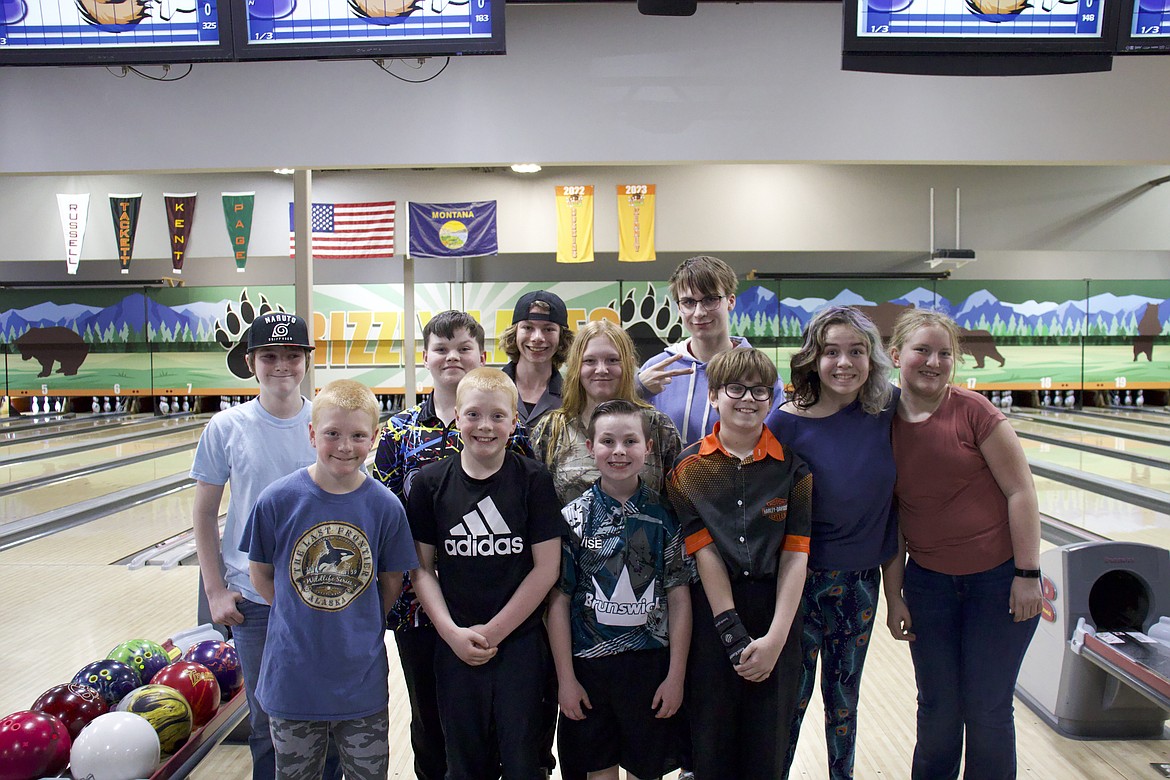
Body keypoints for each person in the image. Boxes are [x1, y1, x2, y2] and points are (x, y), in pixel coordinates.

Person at [372, 310, 532, 780]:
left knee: (505, 725)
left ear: (483, 356)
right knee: (430, 721)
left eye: (464, 347)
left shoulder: (512, 433)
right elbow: (384, 518)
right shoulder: (398, 434)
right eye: (441, 348)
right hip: (417, 609)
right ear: (425, 357)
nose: (452, 357)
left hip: (497, 604)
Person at [885, 309, 1043, 780]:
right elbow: (890, 521)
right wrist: (895, 596)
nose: (933, 362)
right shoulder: (882, 422)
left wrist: (1027, 574)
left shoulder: (975, 412)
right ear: (896, 356)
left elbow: (1021, 492)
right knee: (937, 708)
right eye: (922, 351)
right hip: (929, 586)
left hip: (998, 582)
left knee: (987, 708)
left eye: (944, 354)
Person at [242, 379, 418, 780]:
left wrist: (359, 618)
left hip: (361, 683)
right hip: (293, 679)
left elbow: (392, 580)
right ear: (311, 434)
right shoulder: (277, 499)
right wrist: (295, 609)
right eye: (332, 434)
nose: (344, 446)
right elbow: (260, 573)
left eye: (357, 435)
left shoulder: (385, 507)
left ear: (373, 438)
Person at [190, 311, 339, 780]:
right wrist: (214, 591)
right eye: (270, 356)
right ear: (251, 361)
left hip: (320, 595)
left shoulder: (326, 423)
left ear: (306, 362)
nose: (282, 366)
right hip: (253, 601)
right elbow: (202, 513)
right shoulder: (226, 427)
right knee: (265, 721)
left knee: (328, 716)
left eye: (292, 355)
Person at [407, 367, 566, 779]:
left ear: (515, 421)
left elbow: (547, 569)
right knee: (463, 764)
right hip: (454, 645)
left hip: (522, 647)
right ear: (456, 416)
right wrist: (451, 633)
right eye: (474, 414)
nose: (485, 426)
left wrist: (494, 632)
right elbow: (422, 571)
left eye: (498, 416)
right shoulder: (428, 484)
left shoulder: (534, 481)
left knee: (524, 762)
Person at [765, 306, 899, 780]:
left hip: (860, 582)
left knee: (844, 702)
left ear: (873, 358)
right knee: (790, 702)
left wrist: (898, 594)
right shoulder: (786, 422)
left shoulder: (888, 411)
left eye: (857, 351)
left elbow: (899, 517)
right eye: (831, 352)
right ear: (813, 358)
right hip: (799, 583)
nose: (845, 362)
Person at [666, 347, 811, 780]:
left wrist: (775, 640)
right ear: (713, 395)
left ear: (772, 398)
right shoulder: (687, 468)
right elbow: (703, 548)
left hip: (777, 612)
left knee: (766, 750)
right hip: (713, 612)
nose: (747, 398)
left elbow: (795, 555)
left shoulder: (794, 470)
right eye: (735, 388)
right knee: (711, 744)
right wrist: (730, 629)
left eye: (760, 391)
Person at [548, 399, 691, 780]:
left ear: (647, 448)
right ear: (591, 449)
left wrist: (675, 676)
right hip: (588, 670)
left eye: (630, 441)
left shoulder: (664, 518)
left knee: (647, 771)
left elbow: (679, 597)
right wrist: (566, 679)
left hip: (650, 668)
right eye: (607, 442)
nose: (619, 451)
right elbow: (559, 602)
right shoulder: (572, 518)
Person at [531, 319, 681, 507]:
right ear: (576, 366)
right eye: (589, 361)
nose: (601, 369)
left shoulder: (658, 427)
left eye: (612, 360)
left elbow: (680, 505)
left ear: (628, 364)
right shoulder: (551, 430)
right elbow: (533, 509)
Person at [638, 255, 780, 447]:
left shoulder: (759, 372)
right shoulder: (658, 368)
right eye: (688, 302)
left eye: (710, 300)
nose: (699, 312)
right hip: (667, 477)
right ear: (679, 308)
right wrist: (637, 389)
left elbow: (775, 438)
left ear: (730, 301)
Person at [500, 290, 575, 428]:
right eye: (528, 327)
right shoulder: (491, 387)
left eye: (548, 329)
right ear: (514, 333)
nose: (537, 338)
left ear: (562, 337)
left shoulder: (572, 397)